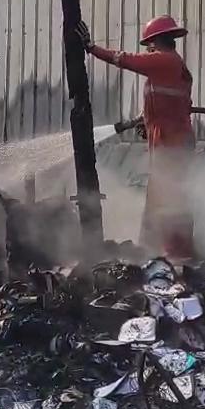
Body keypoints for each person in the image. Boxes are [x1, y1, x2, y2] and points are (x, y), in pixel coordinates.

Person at [78, 15, 195, 262]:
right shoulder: (171, 65)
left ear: (155, 42)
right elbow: (169, 101)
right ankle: (158, 251)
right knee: (162, 197)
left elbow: (125, 60)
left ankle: (177, 254)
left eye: (150, 44)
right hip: (167, 138)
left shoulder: (163, 61)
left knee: (170, 198)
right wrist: (146, 118)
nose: (149, 49)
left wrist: (91, 48)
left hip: (170, 142)